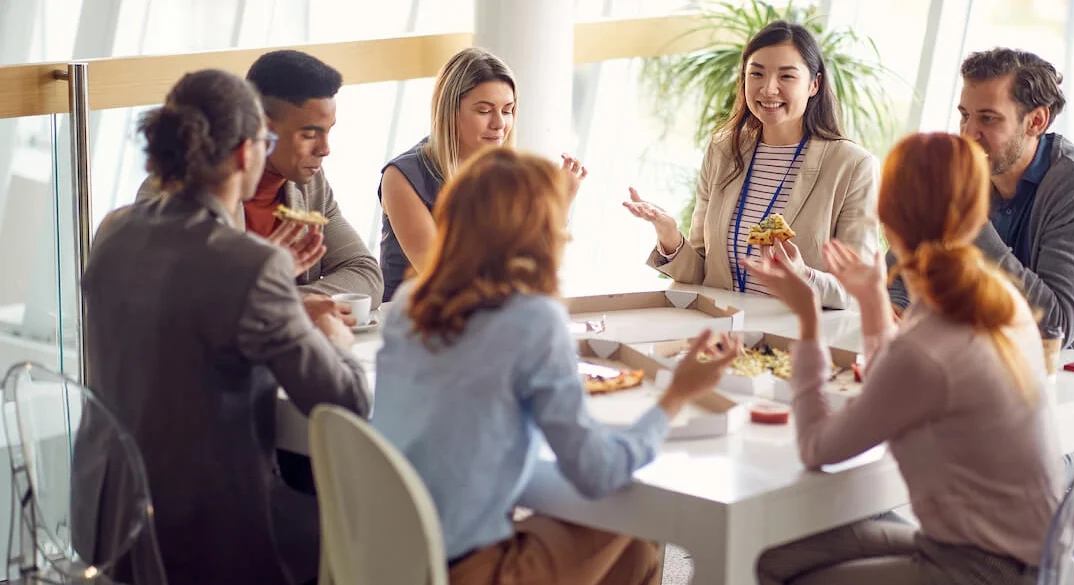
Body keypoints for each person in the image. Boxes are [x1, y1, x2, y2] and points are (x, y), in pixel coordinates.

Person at [372, 147, 740, 585]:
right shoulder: (530, 319)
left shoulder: (405, 309)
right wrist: (677, 395)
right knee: (628, 511)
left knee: (636, 556)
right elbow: (596, 471)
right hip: (467, 571)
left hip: (390, 557)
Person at [76, 69, 370, 585]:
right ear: (243, 154)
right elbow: (346, 401)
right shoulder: (250, 265)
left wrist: (275, 295)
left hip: (106, 516)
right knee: (368, 526)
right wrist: (335, 337)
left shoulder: (113, 233)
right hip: (206, 533)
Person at [747, 133, 1062, 585]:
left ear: (888, 216)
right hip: (1021, 556)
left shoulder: (928, 345)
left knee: (763, 561)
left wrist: (808, 322)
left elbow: (817, 448)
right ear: (978, 215)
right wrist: (874, 298)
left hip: (980, 569)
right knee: (769, 546)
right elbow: (894, 387)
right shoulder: (996, 301)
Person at [623, 19, 879, 309]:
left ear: (814, 84)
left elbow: (859, 290)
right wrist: (669, 235)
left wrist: (802, 275)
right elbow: (702, 272)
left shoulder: (852, 166)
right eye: (756, 73)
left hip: (792, 339)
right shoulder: (724, 149)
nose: (768, 89)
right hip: (718, 331)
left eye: (786, 76)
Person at [887, 48, 1074, 354]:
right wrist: (896, 309)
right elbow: (900, 274)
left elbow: (1055, 327)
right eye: (965, 116)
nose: (969, 134)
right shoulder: (968, 169)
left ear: (1036, 121)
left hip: (1069, 382)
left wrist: (972, 227)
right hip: (979, 361)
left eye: (988, 118)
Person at [137, 49, 385, 310]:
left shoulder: (310, 185)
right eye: (309, 135)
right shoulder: (173, 194)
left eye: (328, 131)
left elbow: (366, 275)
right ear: (262, 126)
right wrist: (272, 294)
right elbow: (184, 307)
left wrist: (283, 303)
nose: (325, 149)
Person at [377, 47, 587, 301]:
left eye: (508, 110)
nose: (500, 124)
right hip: (418, 322)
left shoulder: (507, 174)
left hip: (487, 315)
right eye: (484, 111)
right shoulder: (402, 177)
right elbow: (442, 277)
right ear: (450, 111)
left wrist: (558, 205)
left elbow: (535, 270)